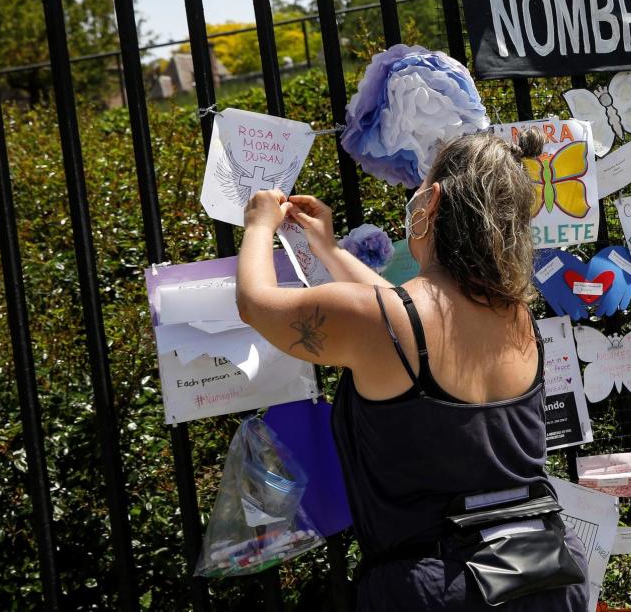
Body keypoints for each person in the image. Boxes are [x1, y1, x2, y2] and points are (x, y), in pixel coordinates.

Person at [236, 129, 588, 611]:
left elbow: (257, 305)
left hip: (438, 586)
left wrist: (257, 224)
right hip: (542, 573)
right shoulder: (516, 317)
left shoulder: (385, 324)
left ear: (432, 201)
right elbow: (397, 313)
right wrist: (331, 251)